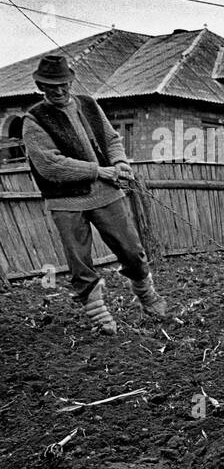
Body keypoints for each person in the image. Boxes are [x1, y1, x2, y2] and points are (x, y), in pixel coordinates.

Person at [22, 54, 166, 333]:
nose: (59, 90)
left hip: (106, 193)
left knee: (131, 249)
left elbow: (111, 138)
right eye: (52, 86)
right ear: (41, 86)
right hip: (66, 201)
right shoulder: (34, 119)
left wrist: (120, 163)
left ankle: (146, 294)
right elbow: (51, 165)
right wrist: (99, 171)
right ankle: (99, 315)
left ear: (71, 81)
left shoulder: (88, 105)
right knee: (79, 260)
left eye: (63, 84)